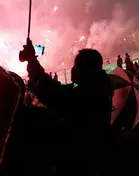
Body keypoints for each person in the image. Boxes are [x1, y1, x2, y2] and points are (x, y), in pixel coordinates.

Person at [21, 39, 114, 175]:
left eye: (75, 66)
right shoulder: (99, 90)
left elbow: (51, 92)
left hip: (80, 165)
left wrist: (32, 62)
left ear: (85, 71)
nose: (72, 69)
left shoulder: (86, 97)